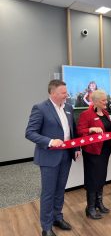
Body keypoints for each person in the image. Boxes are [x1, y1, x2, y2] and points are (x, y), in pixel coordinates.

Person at [25, 80, 81, 236]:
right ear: (53, 93)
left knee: (60, 190)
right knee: (48, 192)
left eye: (66, 92)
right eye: (63, 93)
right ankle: (46, 226)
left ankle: (57, 217)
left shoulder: (69, 108)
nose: (67, 95)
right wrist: (50, 141)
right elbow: (30, 132)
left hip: (66, 155)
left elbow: (73, 131)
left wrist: (76, 147)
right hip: (49, 156)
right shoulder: (40, 108)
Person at [77, 90, 111, 219]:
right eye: (104, 100)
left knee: (101, 177)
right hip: (92, 152)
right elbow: (80, 131)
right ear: (96, 101)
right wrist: (91, 129)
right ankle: (90, 207)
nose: (106, 102)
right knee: (92, 178)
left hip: (105, 150)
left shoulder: (105, 113)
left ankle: (99, 203)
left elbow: (109, 129)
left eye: (106, 99)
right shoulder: (86, 114)